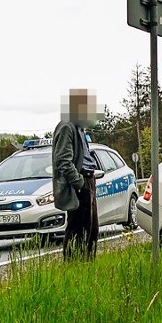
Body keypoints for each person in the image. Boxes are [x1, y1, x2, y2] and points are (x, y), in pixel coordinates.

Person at [53, 88, 103, 260]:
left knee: (92, 230)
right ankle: (74, 267)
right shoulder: (67, 127)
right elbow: (63, 161)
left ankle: (87, 267)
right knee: (78, 230)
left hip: (89, 180)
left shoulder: (80, 128)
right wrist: (79, 183)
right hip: (80, 184)